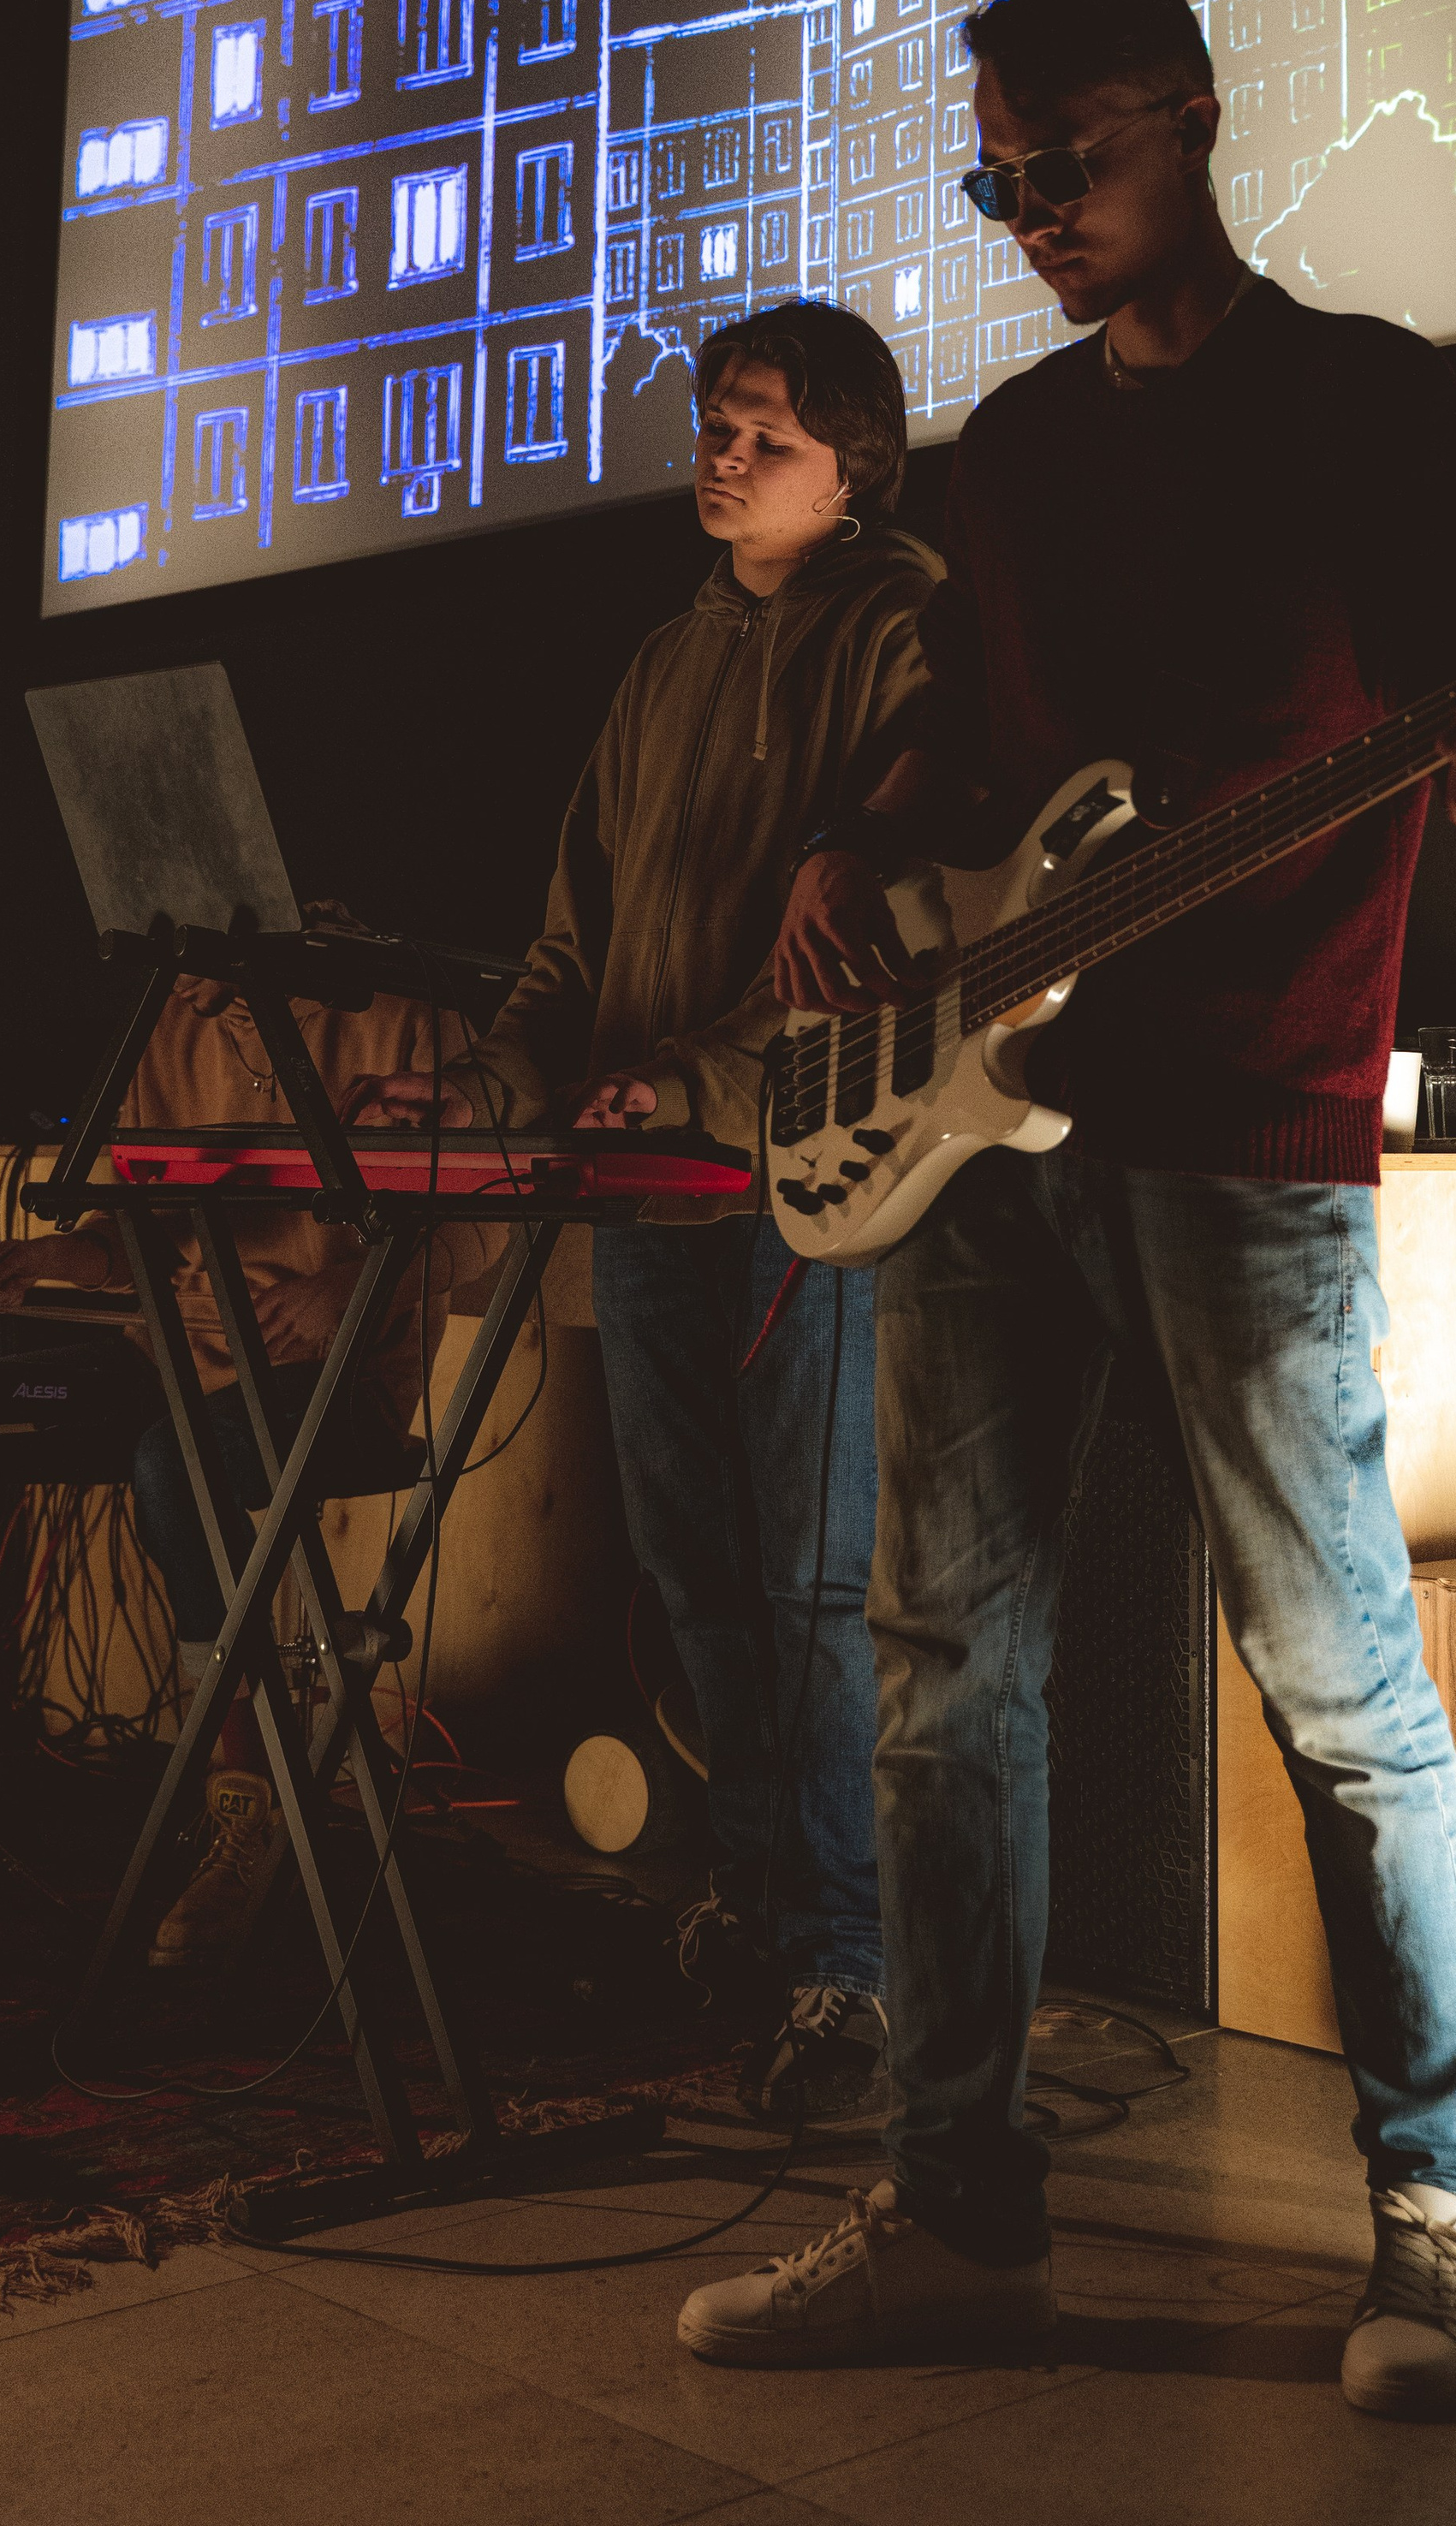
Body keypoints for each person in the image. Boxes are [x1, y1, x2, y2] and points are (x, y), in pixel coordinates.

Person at [679, 0, 1456, 2411]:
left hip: (1252, 1116)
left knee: (1340, 1683)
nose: (1028, 212)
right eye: (995, 173)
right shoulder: (1011, 448)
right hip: (993, 1128)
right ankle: (958, 2206)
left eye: (1061, 161)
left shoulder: (1365, 400)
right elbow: (978, 755)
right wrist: (859, 853)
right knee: (946, 1674)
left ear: (1191, 116)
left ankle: (1437, 2213)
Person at [348, 301, 936, 2123]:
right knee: (695, 1587)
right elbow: (563, 958)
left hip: (806, 1191)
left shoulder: (910, 637)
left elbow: (896, 927)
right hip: (640, 1194)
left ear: (854, 463)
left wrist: (689, 1081)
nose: (723, 450)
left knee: (812, 1588)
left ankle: (847, 1966)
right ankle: (758, 1916)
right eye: (714, 420)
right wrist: (488, 1088)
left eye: (763, 428)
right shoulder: (658, 668)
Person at [0, 929, 479, 1964]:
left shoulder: (406, 1016)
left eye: (207, 962)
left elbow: (495, 1216)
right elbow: (137, 1240)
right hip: (170, 1354)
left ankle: (246, 1798)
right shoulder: (175, 1021)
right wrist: (53, 1257)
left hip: (336, 1379)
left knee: (177, 1467)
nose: (190, 988)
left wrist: (351, 1292)